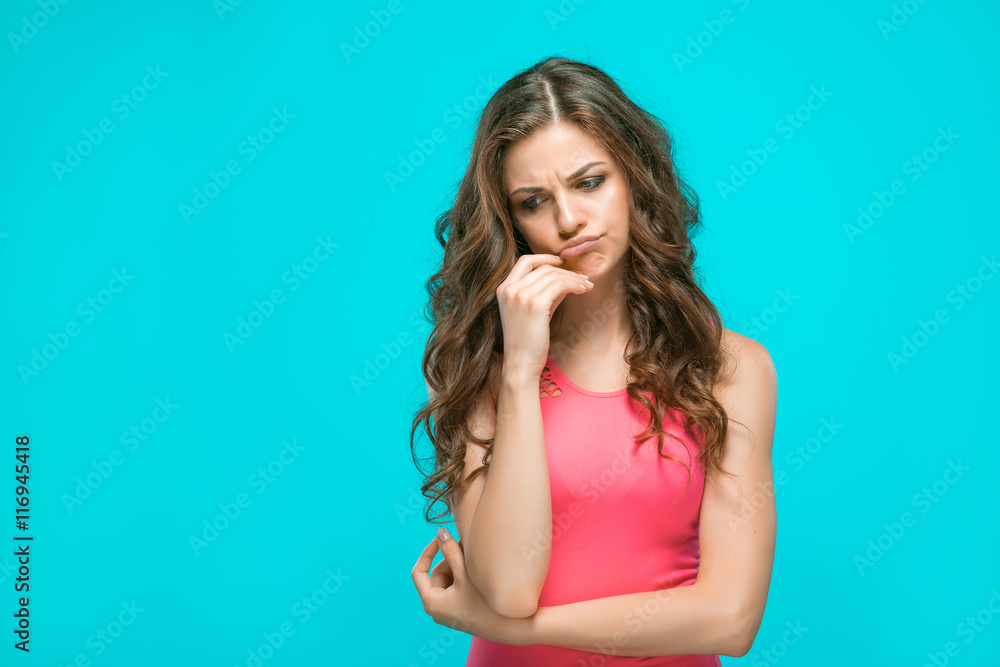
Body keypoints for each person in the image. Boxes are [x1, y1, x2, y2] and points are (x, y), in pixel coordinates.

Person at [409, 56, 777, 665]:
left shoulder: (731, 369)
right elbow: (509, 587)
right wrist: (521, 370)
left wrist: (512, 630)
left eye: (589, 182)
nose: (568, 219)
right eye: (533, 201)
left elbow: (730, 621)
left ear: (635, 178)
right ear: (511, 222)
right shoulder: (474, 367)